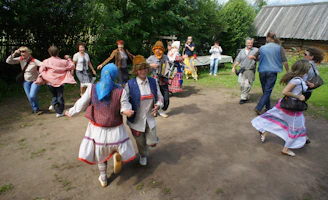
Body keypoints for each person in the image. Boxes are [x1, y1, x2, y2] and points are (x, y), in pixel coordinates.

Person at [65, 63, 136, 188]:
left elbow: (81, 103)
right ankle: (115, 154)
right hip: (116, 130)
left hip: (98, 130)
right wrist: (127, 111)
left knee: (100, 155)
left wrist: (70, 112)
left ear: (102, 73)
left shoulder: (92, 88)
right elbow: (125, 107)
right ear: (114, 75)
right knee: (114, 146)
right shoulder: (121, 91)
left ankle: (103, 178)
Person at [251, 60, 310, 157]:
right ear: (304, 70)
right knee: (296, 127)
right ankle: (286, 149)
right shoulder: (296, 80)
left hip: (291, 107)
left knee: (278, 120)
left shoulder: (299, 79)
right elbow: (285, 91)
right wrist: (299, 97)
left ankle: (264, 132)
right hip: (292, 107)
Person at [125, 55, 164, 166]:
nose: (143, 71)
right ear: (136, 70)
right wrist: (127, 110)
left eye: (145, 68)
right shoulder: (130, 84)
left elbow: (160, 96)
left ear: (148, 68)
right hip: (136, 120)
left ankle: (148, 145)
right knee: (140, 142)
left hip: (150, 118)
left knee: (151, 142)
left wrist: (158, 105)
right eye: (140, 69)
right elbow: (124, 100)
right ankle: (143, 155)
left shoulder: (153, 81)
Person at [251, 32, 289, 115]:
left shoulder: (262, 48)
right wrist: (288, 72)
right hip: (272, 71)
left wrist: (256, 58)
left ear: (267, 37)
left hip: (262, 71)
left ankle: (268, 107)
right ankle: (259, 107)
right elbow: (285, 61)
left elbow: (255, 57)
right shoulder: (280, 48)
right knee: (267, 91)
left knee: (265, 90)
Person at [37, 45, 76, 117]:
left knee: (55, 95)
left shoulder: (46, 61)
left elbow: (41, 70)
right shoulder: (63, 62)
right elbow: (72, 66)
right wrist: (68, 59)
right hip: (60, 81)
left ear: (50, 53)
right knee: (60, 96)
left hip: (49, 81)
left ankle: (52, 105)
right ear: (58, 52)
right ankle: (59, 112)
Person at [6, 46, 42, 114]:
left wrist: (41, 75)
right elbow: (8, 61)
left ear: (28, 52)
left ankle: (36, 107)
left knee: (32, 95)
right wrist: (14, 54)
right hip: (26, 81)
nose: (22, 53)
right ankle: (35, 109)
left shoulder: (34, 60)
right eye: (21, 52)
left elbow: (43, 65)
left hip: (35, 80)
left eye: (23, 52)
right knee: (29, 97)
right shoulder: (21, 59)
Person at [232, 38, 259, 104]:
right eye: (248, 43)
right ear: (246, 43)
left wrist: (254, 57)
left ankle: (243, 98)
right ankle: (246, 96)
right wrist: (234, 67)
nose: (250, 44)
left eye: (251, 43)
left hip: (250, 70)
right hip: (242, 70)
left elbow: (260, 58)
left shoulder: (256, 50)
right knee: (241, 84)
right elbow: (238, 60)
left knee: (247, 85)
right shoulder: (242, 51)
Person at [146, 41, 170, 118]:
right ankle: (156, 111)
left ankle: (161, 109)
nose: (158, 51)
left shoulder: (166, 57)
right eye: (157, 49)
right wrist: (151, 65)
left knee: (166, 99)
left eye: (160, 49)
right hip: (155, 80)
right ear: (154, 49)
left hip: (164, 80)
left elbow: (169, 67)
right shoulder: (151, 58)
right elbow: (143, 66)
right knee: (155, 97)